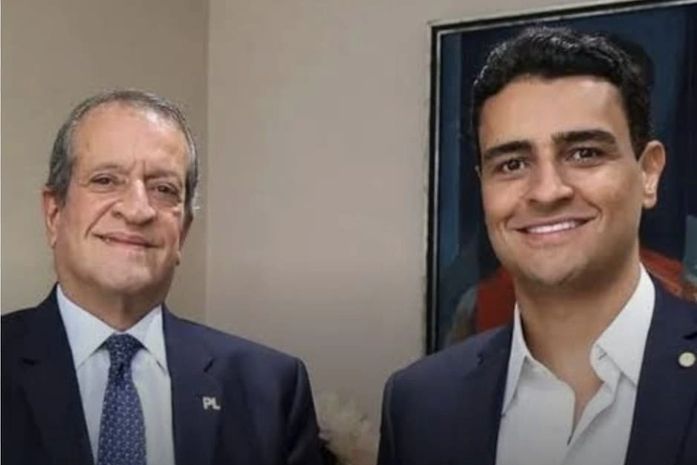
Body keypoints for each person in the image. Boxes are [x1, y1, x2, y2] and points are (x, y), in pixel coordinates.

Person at [378, 27, 697, 465]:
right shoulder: (420, 404)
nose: (547, 192)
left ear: (648, 173)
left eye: (584, 153)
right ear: (483, 186)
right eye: (512, 163)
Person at [2, 89, 324, 465]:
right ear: (54, 214)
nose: (138, 210)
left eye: (163, 189)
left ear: (182, 232)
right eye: (106, 180)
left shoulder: (270, 389)